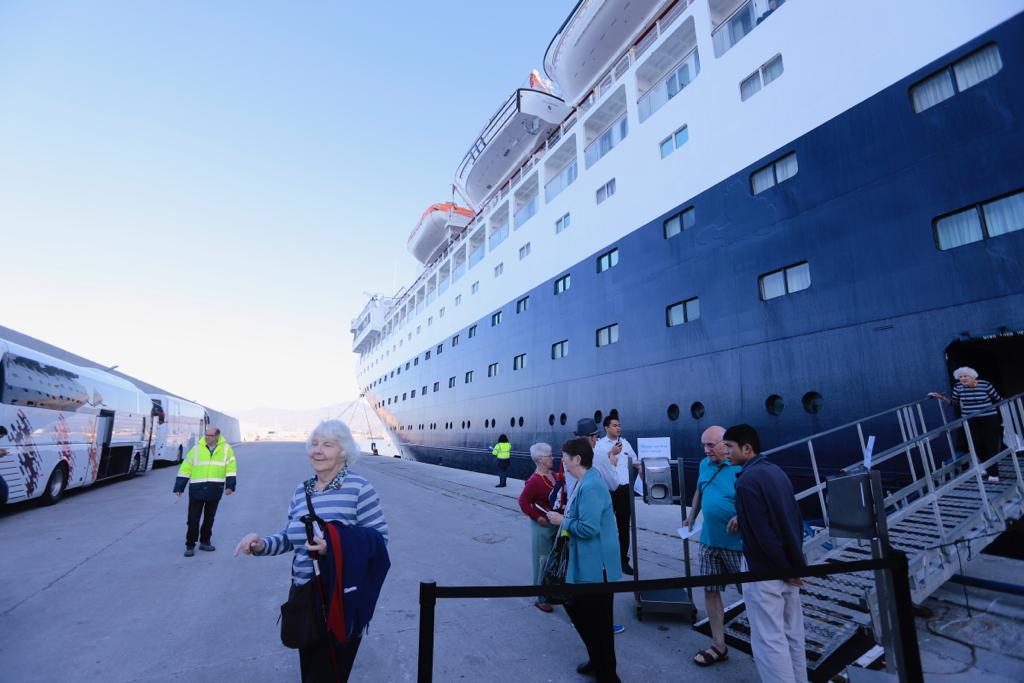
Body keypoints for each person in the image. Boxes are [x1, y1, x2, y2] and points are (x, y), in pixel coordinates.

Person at [235, 419, 389, 683]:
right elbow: (289, 537)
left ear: (344, 452)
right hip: (304, 593)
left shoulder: (359, 488)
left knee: (327, 673)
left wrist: (335, 546)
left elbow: (379, 541)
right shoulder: (302, 490)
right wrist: (260, 545)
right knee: (310, 670)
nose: (318, 450)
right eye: (314, 443)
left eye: (328, 445)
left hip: (339, 595)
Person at [723, 424, 807, 683]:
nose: (726, 452)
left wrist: (785, 570)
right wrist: (795, 566)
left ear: (747, 448)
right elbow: (792, 519)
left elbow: (762, 535)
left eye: (729, 447)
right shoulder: (776, 472)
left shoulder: (746, 482)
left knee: (769, 640)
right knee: (793, 634)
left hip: (765, 571)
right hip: (790, 565)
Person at [546, 438, 622, 683]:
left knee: (595, 620)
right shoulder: (584, 481)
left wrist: (562, 521)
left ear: (577, 459)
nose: (562, 461)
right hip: (585, 563)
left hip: (596, 567)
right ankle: (597, 660)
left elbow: (589, 528)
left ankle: (607, 675)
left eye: (565, 457)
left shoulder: (591, 486)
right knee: (584, 614)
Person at [684, 425, 744, 667]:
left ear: (725, 444)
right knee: (710, 591)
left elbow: (756, 498)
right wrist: (692, 514)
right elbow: (700, 490)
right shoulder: (704, 464)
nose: (706, 450)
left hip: (737, 546)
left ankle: (769, 645)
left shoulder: (741, 466)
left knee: (751, 594)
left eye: (711, 445)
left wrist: (742, 515)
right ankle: (719, 645)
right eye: (704, 445)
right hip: (709, 541)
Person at [929, 367, 1004, 481]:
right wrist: (941, 397)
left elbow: (997, 399)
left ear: (973, 377)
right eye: (960, 377)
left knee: (990, 445)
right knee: (977, 445)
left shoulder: (985, 385)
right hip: (970, 420)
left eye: (965, 376)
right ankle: (986, 466)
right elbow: (954, 402)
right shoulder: (958, 387)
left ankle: (993, 474)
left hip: (989, 418)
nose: (963, 379)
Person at [173, 426, 236, 557]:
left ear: (217, 436)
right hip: (197, 488)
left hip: (215, 488)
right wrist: (180, 486)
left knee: (209, 518)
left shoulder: (226, 449)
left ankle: (205, 542)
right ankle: (190, 545)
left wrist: (230, 486)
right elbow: (186, 467)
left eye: (210, 435)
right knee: (192, 518)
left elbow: (231, 468)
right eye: (206, 435)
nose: (206, 437)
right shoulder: (196, 449)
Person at [594, 416, 639, 575]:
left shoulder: (625, 443)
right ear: (606, 428)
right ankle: (604, 560)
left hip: (624, 490)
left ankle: (623, 561)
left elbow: (635, 461)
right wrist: (611, 452)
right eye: (614, 425)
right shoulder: (599, 445)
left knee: (624, 526)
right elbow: (596, 463)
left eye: (619, 425)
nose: (618, 428)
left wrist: (642, 469)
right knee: (605, 526)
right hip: (608, 490)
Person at [517, 442, 558, 613]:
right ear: (540, 459)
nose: (552, 458)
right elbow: (523, 502)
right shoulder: (534, 481)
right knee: (543, 561)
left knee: (555, 560)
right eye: (549, 456)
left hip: (556, 524)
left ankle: (553, 591)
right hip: (542, 527)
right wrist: (537, 517)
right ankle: (541, 598)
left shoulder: (554, 475)